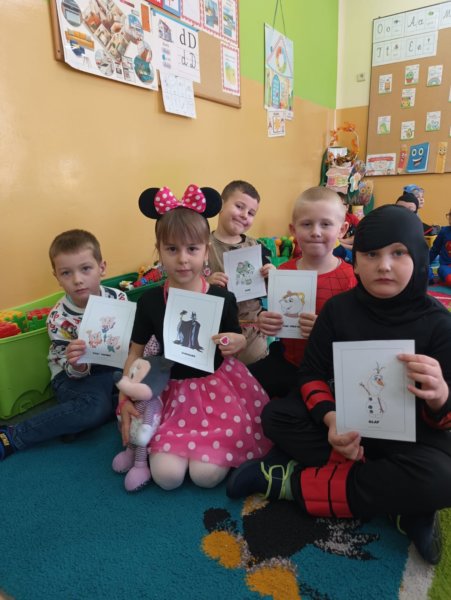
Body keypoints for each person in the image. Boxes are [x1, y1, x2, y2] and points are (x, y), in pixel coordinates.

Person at [227, 205, 451, 565]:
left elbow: (445, 415)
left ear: (419, 257)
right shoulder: (339, 309)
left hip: (410, 440)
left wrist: (440, 395)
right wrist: (332, 420)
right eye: (371, 254)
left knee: (443, 476)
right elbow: (311, 374)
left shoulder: (439, 323)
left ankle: (288, 484)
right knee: (277, 417)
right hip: (347, 428)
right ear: (355, 260)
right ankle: (406, 503)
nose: (384, 265)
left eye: (398, 253)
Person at [115, 184, 271, 491]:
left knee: (204, 476)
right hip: (170, 394)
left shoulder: (222, 297)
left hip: (217, 392)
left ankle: (209, 453)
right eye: (172, 249)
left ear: (206, 251)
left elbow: (236, 339)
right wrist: (124, 398)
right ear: (159, 251)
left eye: (192, 249)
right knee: (167, 478)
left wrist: (237, 342)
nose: (183, 259)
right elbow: (135, 353)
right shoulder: (149, 301)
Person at [0, 229, 127, 460]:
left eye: (85, 269)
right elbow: (71, 370)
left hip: (112, 369)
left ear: (102, 267)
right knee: (95, 407)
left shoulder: (118, 298)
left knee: (151, 382)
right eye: (66, 273)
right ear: (57, 277)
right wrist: (77, 364)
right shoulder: (59, 318)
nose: (77, 280)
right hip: (71, 377)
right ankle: (14, 435)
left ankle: (76, 422)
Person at [248, 186, 357, 398]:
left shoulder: (351, 277)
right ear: (293, 229)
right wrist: (264, 321)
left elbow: (356, 334)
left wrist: (324, 330)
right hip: (288, 362)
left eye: (326, 224)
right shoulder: (283, 272)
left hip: (330, 371)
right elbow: (275, 318)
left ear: (342, 229)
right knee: (243, 386)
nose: (315, 232)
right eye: (307, 224)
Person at [207, 180, 273, 365]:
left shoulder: (257, 247)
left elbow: (272, 291)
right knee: (218, 375)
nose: (245, 215)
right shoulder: (202, 246)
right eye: (239, 206)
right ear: (221, 205)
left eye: (251, 213)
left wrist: (273, 276)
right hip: (215, 331)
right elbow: (188, 285)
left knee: (256, 371)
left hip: (251, 330)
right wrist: (206, 282)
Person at [333, 192, 361, 263]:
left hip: (349, 244)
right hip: (338, 246)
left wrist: (344, 242)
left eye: (340, 205)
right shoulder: (331, 219)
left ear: (347, 207)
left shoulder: (351, 218)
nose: (336, 209)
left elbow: (362, 231)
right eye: (333, 205)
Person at [429, 207, 451, 286]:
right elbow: (435, 250)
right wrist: (425, 262)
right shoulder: (444, 231)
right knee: (443, 271)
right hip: (447, 266)